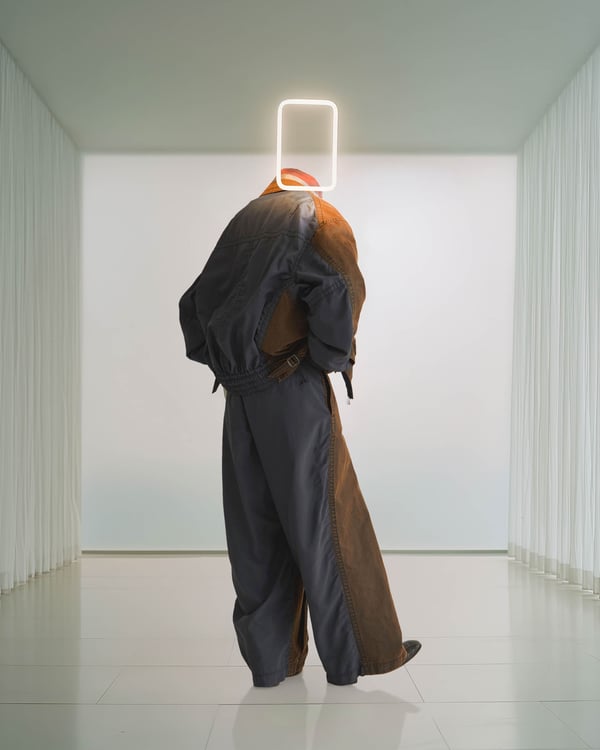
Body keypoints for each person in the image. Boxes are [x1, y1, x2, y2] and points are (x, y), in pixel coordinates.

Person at [178, 168, 421, 687]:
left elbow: (192, 304)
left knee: (255, 530)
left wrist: (228, 363)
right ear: (310, 186)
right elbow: (339, 286)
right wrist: (330, 356)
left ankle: (271, 665)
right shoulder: (317, 216)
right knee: (325, 524)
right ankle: (354, 659)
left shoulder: (241, 223)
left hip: (240, 396)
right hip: (292, 386)